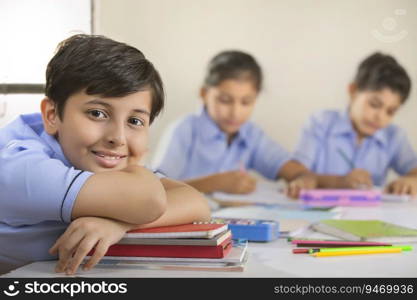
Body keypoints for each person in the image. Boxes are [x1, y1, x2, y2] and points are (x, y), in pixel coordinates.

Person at [0, 34, 210, 275]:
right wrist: (132, 208)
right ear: (52, 115)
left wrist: (116, 223)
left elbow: (195, 201)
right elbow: (149, 199)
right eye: (98, 114)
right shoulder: (16, 165)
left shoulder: (89, 157)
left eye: (134, 120)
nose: (118, 138)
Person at [153, 50, 316, 198]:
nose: (235, 112)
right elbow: (154, 189)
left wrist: (302, 182)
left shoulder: (251, 135)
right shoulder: (185, 129)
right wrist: (215, 183)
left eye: (246, 102)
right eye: (225, 100)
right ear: (204, 94)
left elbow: (300, 173)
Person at [292, 52, 417, 195]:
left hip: (370, 215)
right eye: (374, 104)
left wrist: (410, 181)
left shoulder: (394, 136)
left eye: (391, 111)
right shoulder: (320, 123)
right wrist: (340, 182)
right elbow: (296, 173)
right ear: (353, 91)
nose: (380, 117)